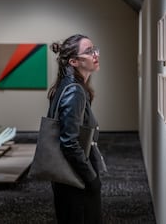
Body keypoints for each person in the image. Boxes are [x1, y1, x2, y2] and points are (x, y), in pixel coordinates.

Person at [47, 34, 104, 224]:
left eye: (94, 49)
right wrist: (91, 178)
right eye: (88, 52)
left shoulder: (69, 86)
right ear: (73, 61)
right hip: (75, 180)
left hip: (69, 178)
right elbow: (69, 142)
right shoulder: (74, 90)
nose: (95, 54)